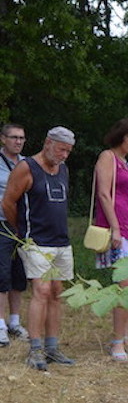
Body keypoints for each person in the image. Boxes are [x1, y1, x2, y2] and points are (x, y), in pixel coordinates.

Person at [1, 126, 77, 371]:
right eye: (61, 149)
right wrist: (21, 232)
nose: (65, 155)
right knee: (41, 291)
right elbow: (8, 202)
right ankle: (35, 349)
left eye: (68, 151)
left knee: (56, 292)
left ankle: (52, 347)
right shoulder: (27, 168)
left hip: (61, 242)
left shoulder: (63, 168)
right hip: (35, 241)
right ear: (48, 143)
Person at [92, 119, 128, 362]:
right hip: (118, 229)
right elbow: (104, 193)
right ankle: (116, 342)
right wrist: (114, 226)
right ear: (120, 136)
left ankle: (125, 338)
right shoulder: (108, 157)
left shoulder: (126, 163)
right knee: (126, 286)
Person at [0, 123, 30, 346]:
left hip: (23, 227)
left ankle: (14, 321)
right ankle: (0, 325)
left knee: (20, 275)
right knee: (2, 275)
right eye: (13, 137)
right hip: (1, 225)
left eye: (21, 138)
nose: (18, 141)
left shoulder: (28, 164)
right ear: (3, 139)